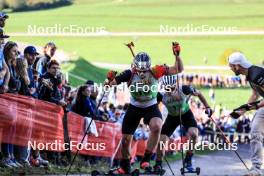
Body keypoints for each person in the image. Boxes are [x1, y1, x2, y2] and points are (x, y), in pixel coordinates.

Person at [105, 42, 183, 174]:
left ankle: (145, 160)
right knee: (125, 140)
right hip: (134, 107)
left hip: (150, 106)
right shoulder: (129, 73)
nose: (141, 73)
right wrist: (109, 79)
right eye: (139, 70)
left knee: (157, 126)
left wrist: (177, 55)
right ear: (134, 67)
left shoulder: (156, 70)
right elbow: (110, 84)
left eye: (144, 70)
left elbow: (178, 69)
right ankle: (125, 166)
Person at [154, 75, 213, 173]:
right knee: (161, 141)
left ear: (176, 85)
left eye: (172, 87)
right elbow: (152, 107)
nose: (170, 90)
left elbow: (199, 93)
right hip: (172, 117)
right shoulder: (160, 95)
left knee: (194, 134)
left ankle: (188, 160)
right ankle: (158, 163)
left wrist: (207, 107)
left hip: (186, 115)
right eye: (167, 88)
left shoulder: (184, 88)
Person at [228, 52, 264, 176]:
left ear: (237, 66)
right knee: (255, 131)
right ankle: (256, 169)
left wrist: (255, 106)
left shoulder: (257, 74)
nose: (230, 68)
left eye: (231, 66)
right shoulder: (250, 75)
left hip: (262, 105)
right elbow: (255, 94)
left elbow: (258, 101)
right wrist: (242, 110)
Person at [0, 28, 10, 93]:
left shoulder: (0, 52)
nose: (3, 42)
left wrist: (5, 84)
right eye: (1, 39)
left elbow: (7, 69)